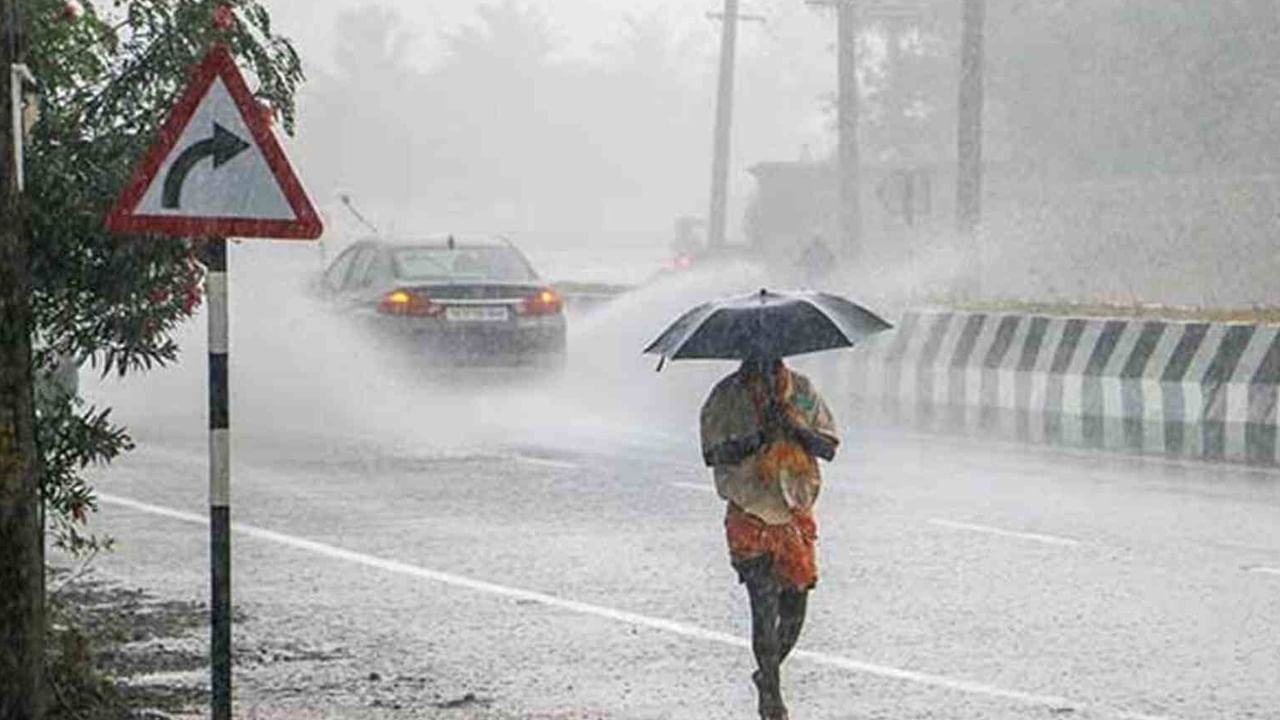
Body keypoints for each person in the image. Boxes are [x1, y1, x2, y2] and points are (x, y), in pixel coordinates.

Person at [700, 357, 839, 720]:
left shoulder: (803, 392)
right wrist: (757, 438)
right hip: (749, 511)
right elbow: (712, 453)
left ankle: (767, 672)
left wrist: (794, 429)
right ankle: (772, 698)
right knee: (763, 606)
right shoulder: (726, 397)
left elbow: (828, 446)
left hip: (794, 511)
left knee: (795, 607)